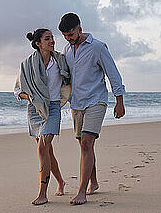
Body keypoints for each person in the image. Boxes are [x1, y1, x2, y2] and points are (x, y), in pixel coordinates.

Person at [58, 13, 126, 205]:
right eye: (65, 36)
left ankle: (82, 191)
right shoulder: (67, 50)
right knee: (84, 145)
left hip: (96, 100)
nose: (69, 39)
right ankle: (93, 182)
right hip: (76, 103)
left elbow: (113, 74)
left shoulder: (97, 47)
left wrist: (119, 101)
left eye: (71, 34)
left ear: (80, 29)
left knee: (87, 143)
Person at [14, 28, 71, 205]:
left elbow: (72, 79)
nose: (52, 41)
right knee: (47, 151)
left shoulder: (61, 60)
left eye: (52, 38)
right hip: (35, 109)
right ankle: (61, 181)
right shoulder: (27, 64)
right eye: (47, 39)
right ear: (38, 43)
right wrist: (30, 97)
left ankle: (42, 193)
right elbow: (17, 90)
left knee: (42, 147)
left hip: (53, 107)